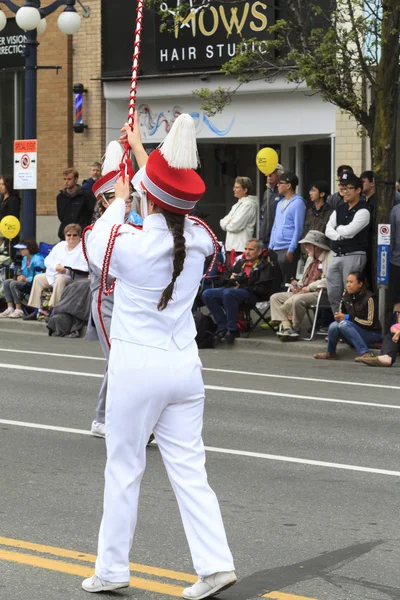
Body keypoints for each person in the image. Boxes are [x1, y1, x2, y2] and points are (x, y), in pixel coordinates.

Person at [82, 114, 236, 598]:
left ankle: (111, 570)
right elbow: (178, 207)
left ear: (147, 198)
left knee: (124, 470)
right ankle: (215, 564)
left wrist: (120, 197)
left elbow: (93, 241)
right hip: (184, 368)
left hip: (137, 369)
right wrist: (145, 155)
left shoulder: (129, 243)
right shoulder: (198, 239)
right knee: (191, 471)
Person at [85, 137, 146, 439]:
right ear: (103, 201)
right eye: (119, 196)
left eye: (130, 195)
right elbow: (107, 267)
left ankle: (102, 418)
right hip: (107, 301)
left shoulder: (137, 224)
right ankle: (120, 422)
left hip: (131, 302)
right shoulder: (94, 231)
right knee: (120, 361)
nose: (128, 199)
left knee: (123, 361)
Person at [202, 238, 279, 344]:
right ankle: (222, 326)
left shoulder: (265, 265)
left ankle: (232, 330)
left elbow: (262, 289)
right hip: (235, 292)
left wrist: (243, 284)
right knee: (207, 294)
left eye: (251, 249)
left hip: (253, 294)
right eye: (246, 249)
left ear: (259, 251)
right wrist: (231, 279)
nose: (247, 252)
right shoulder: (241, 262)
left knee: (228, 293)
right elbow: (225, 277)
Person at [271, 230, 332, 340]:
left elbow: (329, 280)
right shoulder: (310, 258)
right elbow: (304, 278)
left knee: (297, 299)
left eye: (308, 245)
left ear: (316, 246)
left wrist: (309, 287)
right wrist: (297, 286)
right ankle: (287, 327)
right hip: (303, 292)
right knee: (275, 297)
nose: (305, 247)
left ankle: (295, 327)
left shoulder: (329, 258)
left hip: (319, 293)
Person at [325, 172, 370, 313]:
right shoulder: (339, 209)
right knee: (333, 293)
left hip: (354, 254)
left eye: (348, 188)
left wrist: (337, 228)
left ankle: (351, 325)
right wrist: (339, 236)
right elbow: (327, 230)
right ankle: (338, 324)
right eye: (343, 189)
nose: (345, 192)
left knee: (351, 292)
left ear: (358, 190)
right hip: (336, 254)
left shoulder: (364, 210)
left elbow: (351, 231)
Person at [314, 271, 381, 360]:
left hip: (371, 334)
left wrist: (348, 318)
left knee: (344, 324)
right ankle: (330, 352)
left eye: (351, 282)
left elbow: (370, 323)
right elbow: (342, 316)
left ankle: (365, 353)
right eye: (347, 282)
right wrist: (339, 316)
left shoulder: (369, 298)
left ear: (360, 284)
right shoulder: (346, 295)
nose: (348, 285)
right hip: (350, 329)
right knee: (334, 326)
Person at [26, 223, 88, 319]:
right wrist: (56, 266)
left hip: (71, 277)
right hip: (54, 273)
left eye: (74, 235)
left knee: (60, 280)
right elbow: (48, 260)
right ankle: (37, 309)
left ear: (79, 236)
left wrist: (66, 269)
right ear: (65, 236)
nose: (71, 237)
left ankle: (55, 309)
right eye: (69, 235)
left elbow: (85, 266)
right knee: (38, 278)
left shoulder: (83, 248)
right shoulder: (60, 245)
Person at [268, 171, 306, 283]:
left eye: (281, 183)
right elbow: (275, 226)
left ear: (289, 185)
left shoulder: (298, 203)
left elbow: (298, 228)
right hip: (276, 248)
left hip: (287, 247)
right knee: (276, 281)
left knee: (288, 280)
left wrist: (291, 249)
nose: (278, 185)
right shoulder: (280, 203)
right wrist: (271, 244)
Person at [0, 239, 45, 318]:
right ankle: (10, 308)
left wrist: (26, 279)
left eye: (22, 249)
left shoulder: (38, 259)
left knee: (14, 284)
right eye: (20, 249)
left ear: (30, 248)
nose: (20, 251)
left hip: (35, 285)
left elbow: (40, 276)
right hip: (26, 283)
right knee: (7, 282)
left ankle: (19, 309)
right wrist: (20, 277)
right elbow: (24, 273)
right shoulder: (24, 259)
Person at [220, 176, 258, 268]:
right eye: (234, 187)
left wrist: (228, 223)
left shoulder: (249, 204)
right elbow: (222, 222)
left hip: (241, 248)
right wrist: (227, 223)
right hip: (231, 247)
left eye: (237, 187)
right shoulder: (237, 204)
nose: (234, 190)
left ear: (245, 190)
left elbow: (235, 226)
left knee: (238, 275)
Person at [56, 168, 96, 240]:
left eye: (69, 179)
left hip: (82, 233)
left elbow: (92, 212)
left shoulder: (86, 195)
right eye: (64, 179)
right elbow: (61, 215)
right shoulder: (60, 197)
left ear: (76, 180)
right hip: (66, 233)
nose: (66, 182)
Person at [259, 163, 284, 247]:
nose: (269, 175)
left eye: (273, 172)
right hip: (264, 238)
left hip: (277, 239)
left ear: (280, 175)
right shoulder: (267, 192)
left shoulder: (283, 193)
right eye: (267, 173)